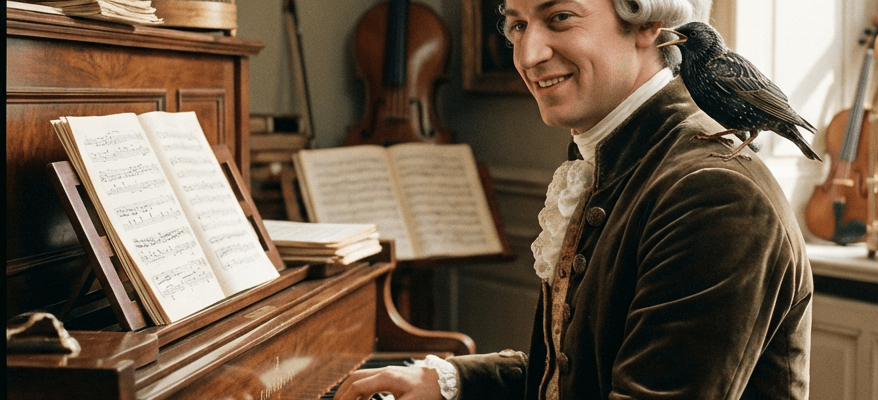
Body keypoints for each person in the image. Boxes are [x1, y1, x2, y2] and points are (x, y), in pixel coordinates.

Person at [337, 0, 813, 398]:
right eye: (518, 24)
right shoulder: (609, 156)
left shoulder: (715, 196)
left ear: (650, 24)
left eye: (559, 17)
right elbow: (581, 375)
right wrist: (450, 380)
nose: (528, 54)